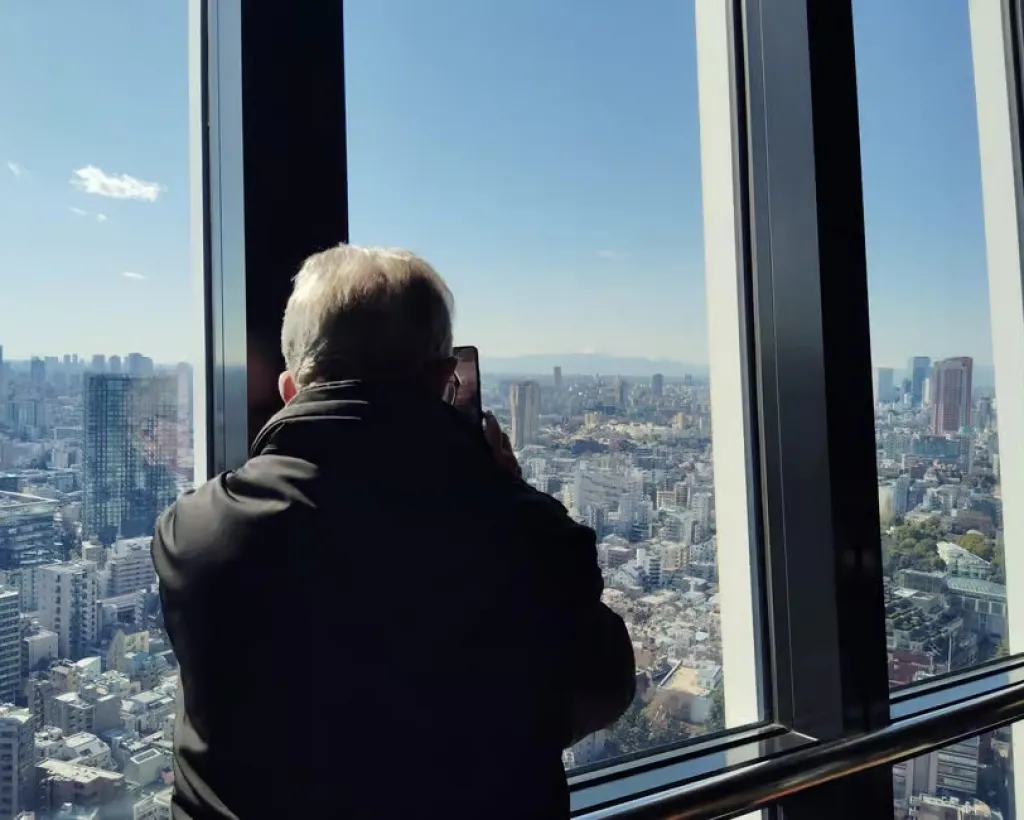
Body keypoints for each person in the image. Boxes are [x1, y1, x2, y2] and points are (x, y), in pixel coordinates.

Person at [153, 244, 636, 820]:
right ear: (443, 380)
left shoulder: (194, 533)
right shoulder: (522, 534)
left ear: (290, 388)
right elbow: (601, 683)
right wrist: (510, 491)